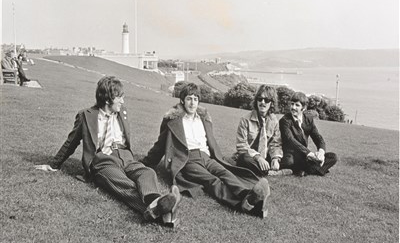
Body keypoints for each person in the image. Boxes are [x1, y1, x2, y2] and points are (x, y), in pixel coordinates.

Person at [35, 76, 181, 226]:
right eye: (119, 98)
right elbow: (71, 142)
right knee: (122, 182)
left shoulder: (122, 112)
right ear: (107, 99)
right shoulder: (86, 116)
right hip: (103, 159)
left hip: (125, 156)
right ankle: (163, 211)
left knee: (147, 172)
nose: (123, 101)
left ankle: (155, 203)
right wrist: (54, 165)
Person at [141, 83, 270, 218]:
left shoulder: (203, 119)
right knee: (212, 180)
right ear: (182, 101)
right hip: (187, 159)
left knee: (224, 172)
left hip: (206, 156)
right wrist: (146, 162)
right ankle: (239, 204)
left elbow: (211, 142)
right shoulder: (173, 121)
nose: (192, 103)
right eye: (189, 99)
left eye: (195, 99)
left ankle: (246, 195)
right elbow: (160, 145)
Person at [233, 84, 291, 177]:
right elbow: (241, 145)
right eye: (260, 99)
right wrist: (258, 157)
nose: (262, 102)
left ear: (271, 103)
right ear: (256, 101)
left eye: (266, 100)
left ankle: (267, 168)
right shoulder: (245, 119)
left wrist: (275, 158)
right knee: (244, 159)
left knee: (288, 160)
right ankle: (272, 172)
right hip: (251, 156)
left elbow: (275, 143)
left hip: (266, 155)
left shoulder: (274, 120)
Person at [279, 92, 338, 176]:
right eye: (292, 104)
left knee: (333, 157)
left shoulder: (308, 119)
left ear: (304, 107)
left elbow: (317, 137)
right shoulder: (285, 120)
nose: (293, 107)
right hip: (291, 154)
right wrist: (309, 153)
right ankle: (315, 169)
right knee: (289, 162)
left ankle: (307, 170)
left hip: (304, 156)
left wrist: (321, 152)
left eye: (297, 105)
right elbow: (290, 140)